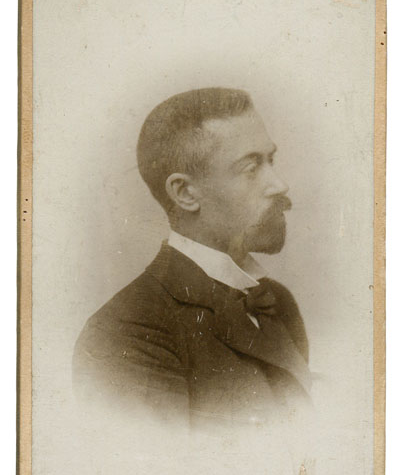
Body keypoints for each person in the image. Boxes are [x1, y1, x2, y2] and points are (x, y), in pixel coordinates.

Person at [73, 87, 311, 428]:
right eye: (251, 168)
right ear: (185, 193)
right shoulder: (126, 332)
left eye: (270, 160)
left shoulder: (277, 301)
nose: (279, 185)